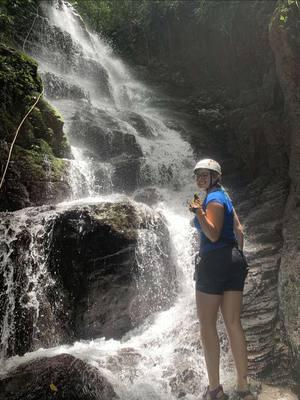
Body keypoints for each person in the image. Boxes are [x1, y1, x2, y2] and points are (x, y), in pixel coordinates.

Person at [189, 159, 256, 400]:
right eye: (198, 175)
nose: (201, 178)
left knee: (207, 324)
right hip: (233, 261)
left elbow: (213, 234)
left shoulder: (214, 198)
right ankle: (243, 388)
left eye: (206, 175)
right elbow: (238, 231)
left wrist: (198, 212)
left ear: (216, 176)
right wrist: (235, 260)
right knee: (233, 323)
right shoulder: (225, 197)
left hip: (214, 261)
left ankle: (215, 390)